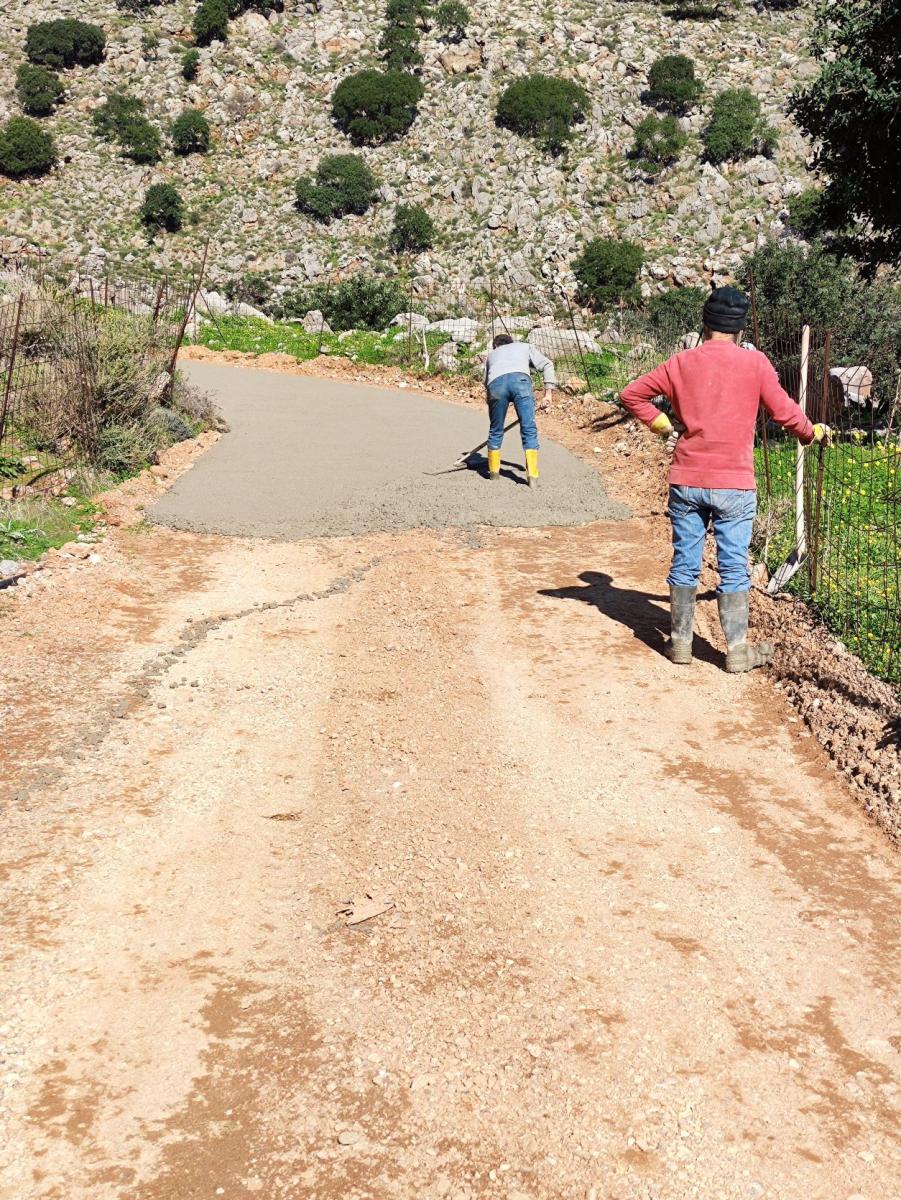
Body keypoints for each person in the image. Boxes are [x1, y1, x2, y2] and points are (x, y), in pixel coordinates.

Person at [619, 285, 831, 673]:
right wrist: (810, 432)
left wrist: (663, 424)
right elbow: (786, 413)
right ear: (740, 329)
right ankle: (736, 651)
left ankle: (681, 643)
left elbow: (632, 394)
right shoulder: (755, 364)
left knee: (685, 562)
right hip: (734, 483)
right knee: (734, 565)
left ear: (705, 323)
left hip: (687, 478)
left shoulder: (680, 362)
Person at [483, 334, 556, 487]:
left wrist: (492, 405)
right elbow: (547, 364)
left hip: (496, 386)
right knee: (528, 427)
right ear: (511, 343)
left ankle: (494, 474)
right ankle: (532, 477)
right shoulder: (524, 346)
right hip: (521, 382)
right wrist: (548, 394)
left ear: (495, 346)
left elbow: (486, 384)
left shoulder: (491, 356)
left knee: (496, 430)